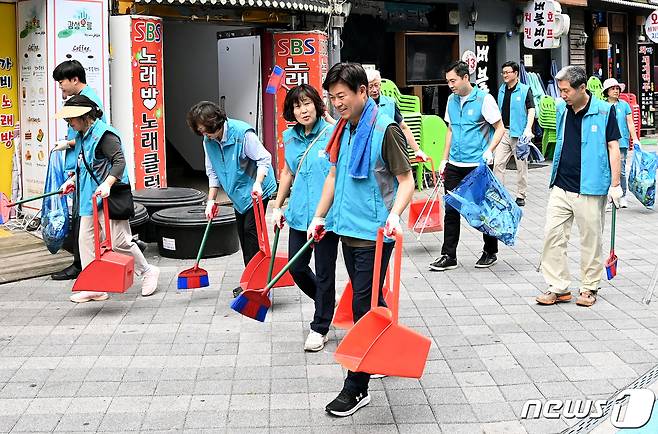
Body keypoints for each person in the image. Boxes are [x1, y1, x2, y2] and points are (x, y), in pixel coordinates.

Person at [308, 62, 415, 417]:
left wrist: (394, 216)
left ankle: (356, 387)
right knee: (370, 298)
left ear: (362, 92)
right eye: (332, 97)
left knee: (362, 309)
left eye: (342, 96)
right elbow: (334, 177)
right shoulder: (343, 129)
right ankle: (383, 351)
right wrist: (320, 216)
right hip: (345, 230)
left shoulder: (384, 129)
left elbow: (406, 181)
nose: (336, 103)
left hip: (374, 234)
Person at [56, 95, 160, 303]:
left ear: (85, 116)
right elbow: (86, 164)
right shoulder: (83, 135)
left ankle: (148, 271)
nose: (69, 124)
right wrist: (73, 181)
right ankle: (94, 286)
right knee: (85, 241)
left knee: (120, 240)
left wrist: (108, 184)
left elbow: (119, 162)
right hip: (89, 198)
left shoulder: (105, 135)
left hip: (108, 197)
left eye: (72, 119)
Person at [536, 66, 622, 308]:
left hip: (590, 188)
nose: (562, 95)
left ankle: (589, 286)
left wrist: (615, 185)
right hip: (561, 185)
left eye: (566, 90)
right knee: (552, 235)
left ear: (581, 88)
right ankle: (558, 286)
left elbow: (614, 148)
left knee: (590, 239)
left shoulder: (604, 112)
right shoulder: (562, 110)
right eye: (560, 90)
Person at [270, 84, 338, 352]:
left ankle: (320, 327)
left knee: (324, 273)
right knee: (297, 268)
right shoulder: (290, 137)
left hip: (326, 218)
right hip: (298, 214)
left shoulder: (332, 133)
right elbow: (287, 171)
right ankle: (326, 303)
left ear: (317, 105)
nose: (303, 110)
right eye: (297, 106)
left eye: (307, 103)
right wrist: (277, 206)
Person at [186, 101, 276, 298]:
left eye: (206, 130)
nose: (205, 135)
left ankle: (260, 287)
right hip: (237, 194)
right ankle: (249, 281)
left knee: (251, 234)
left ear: (216, 122)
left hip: (257, 190)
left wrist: (258, 183)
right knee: (244, 238)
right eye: (200, 132)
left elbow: (264, 158)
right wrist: (211, 200)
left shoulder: (242, 134)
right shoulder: (208, 141)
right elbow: (213, 172)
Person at [429, 61, 505, 272]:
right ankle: (448, 255)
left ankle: (490, 251)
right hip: (455, 162)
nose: (450, 85)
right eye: (448, 81)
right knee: (451, 209)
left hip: (477, 164)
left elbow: (499, 128)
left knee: (482, 208)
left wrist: (489, 150)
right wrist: (444, 159)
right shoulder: (451, 100)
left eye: (453, 80)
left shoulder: (484, 99)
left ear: (465, 77)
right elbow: (450, 130)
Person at [50, 60, 105, 281]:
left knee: (85, 221)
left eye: (61, 81)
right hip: (79, 169)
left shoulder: (89, 101)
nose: (60, 86)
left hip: (88, 171)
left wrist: (68, 145)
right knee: (83, 221)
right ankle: (83, 264)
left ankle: (81, 266)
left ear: (74, 80)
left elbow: (95, 136)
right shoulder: (78, 99)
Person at [493, 61, 535, 207]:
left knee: (521, 166)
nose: (504, 75)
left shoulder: (525, 90)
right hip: (503, 131)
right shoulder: (501, 90)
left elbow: (531, 110)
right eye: (503, 72)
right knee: (498, 163)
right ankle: (500, 194)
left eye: (507, 72)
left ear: (516, 73)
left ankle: (521, 195)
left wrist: (528, 129)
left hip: (520, 134)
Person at [365, 69, 428, 162]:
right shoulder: (361, 105)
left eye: (376, 85)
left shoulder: (390, 103)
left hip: (390, 149)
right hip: (369, 152)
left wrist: (417, 150)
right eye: (370, 87)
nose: (374, 90)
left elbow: (403, 127)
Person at [603, 77, 639, 209]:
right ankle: (608, 198)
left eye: (617, 88)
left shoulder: (624, 105)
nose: (616, 91)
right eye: (613, 88)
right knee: (607, 169)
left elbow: (630, 123)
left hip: (622, 142)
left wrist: (635, 139)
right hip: (605, 142)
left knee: (621, 170)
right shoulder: (603, 105)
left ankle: (622, 195)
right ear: (607, 91)